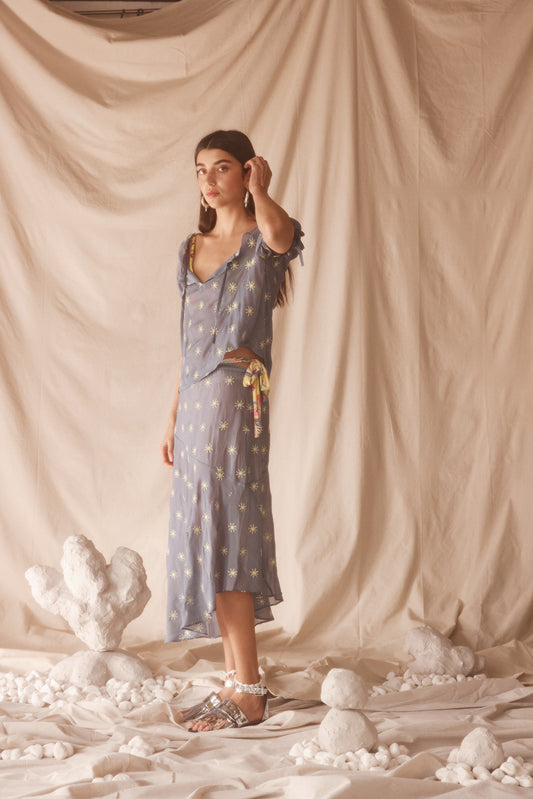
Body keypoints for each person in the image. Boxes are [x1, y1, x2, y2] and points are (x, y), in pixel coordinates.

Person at [161, 130, 304, 730]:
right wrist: (173, 414)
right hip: (196, 400)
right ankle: (235, 680)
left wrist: (260, 191)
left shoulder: (263, 239)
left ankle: (249, 688)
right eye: (201, 170)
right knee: (206, 532)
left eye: (222, 168)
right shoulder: (191, 247)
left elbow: (281, 234)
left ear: (246, 171)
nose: (209, 180)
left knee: (229, 531)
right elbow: (188, 340)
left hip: (235, 396)